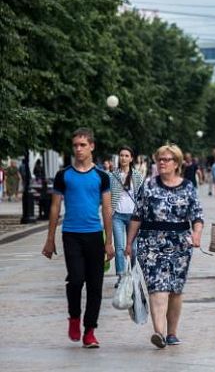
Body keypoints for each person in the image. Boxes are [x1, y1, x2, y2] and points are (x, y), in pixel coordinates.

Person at [41, 128, 115, 348]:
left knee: (95, 285)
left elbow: (107, 209)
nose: (78, 149)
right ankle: (74, 317)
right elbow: (55, 208)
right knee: (75, 280)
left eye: (83, 145)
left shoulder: (101, 176)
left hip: (94, 235)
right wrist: (50, 238)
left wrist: (109, 242)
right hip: (71, 234)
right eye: (75, 145)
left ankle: (90, 331)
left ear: (91, 146)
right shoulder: (64, 175)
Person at [126, 144, 204, 349]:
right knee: (157, 286)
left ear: (176, 163)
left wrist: (196, 234)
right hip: (150, 242)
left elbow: (197, 216)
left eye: (166, 159)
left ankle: (172, 332)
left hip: (180, 243)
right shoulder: (149, 185)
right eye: (159, 159)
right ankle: (158, 332)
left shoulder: (188, 186)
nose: (161, 163)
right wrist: (128, 243)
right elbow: (137, 215)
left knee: (175, 289)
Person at [109, 146, 144, 288]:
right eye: (121, 155)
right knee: (119, 247)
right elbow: (108, 196)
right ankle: (121, 276)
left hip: (133, 216)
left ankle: (135, 274)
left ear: (131, 158)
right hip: (117, 215)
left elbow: (142, 196)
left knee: (134, 248)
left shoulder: (137, 175)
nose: (123, 158)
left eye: (126, 155)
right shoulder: (113, 176)